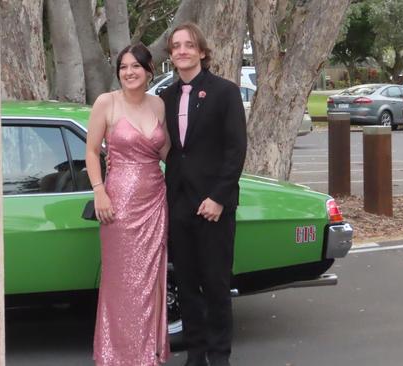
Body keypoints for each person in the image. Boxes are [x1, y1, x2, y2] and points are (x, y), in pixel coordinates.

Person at [159, 23, 247, 366]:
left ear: (202, 52)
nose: (182, 51)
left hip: (214, 206)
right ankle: (195, 355)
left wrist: (219, 198)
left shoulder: (225, 92)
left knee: (215, 286)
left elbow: (235, 149)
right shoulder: (165, 98)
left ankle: (219, 356)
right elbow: (170, 150)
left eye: (188, 45)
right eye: (176, 46)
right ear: (171, 55)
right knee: (187, 286)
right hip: (179, 204)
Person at [85, 43, 171, 366]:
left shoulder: (159, 105)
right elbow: (93, 152)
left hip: (155, 203)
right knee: (121, 283)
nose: (129, 72)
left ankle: (149, 354)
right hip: (117, 205)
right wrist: (99, 191)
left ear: (149, 71)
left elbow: (168, 154)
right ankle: (115, 356)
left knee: (150, 282)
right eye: (123, 67)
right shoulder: (106, 103)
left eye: (136, 66)